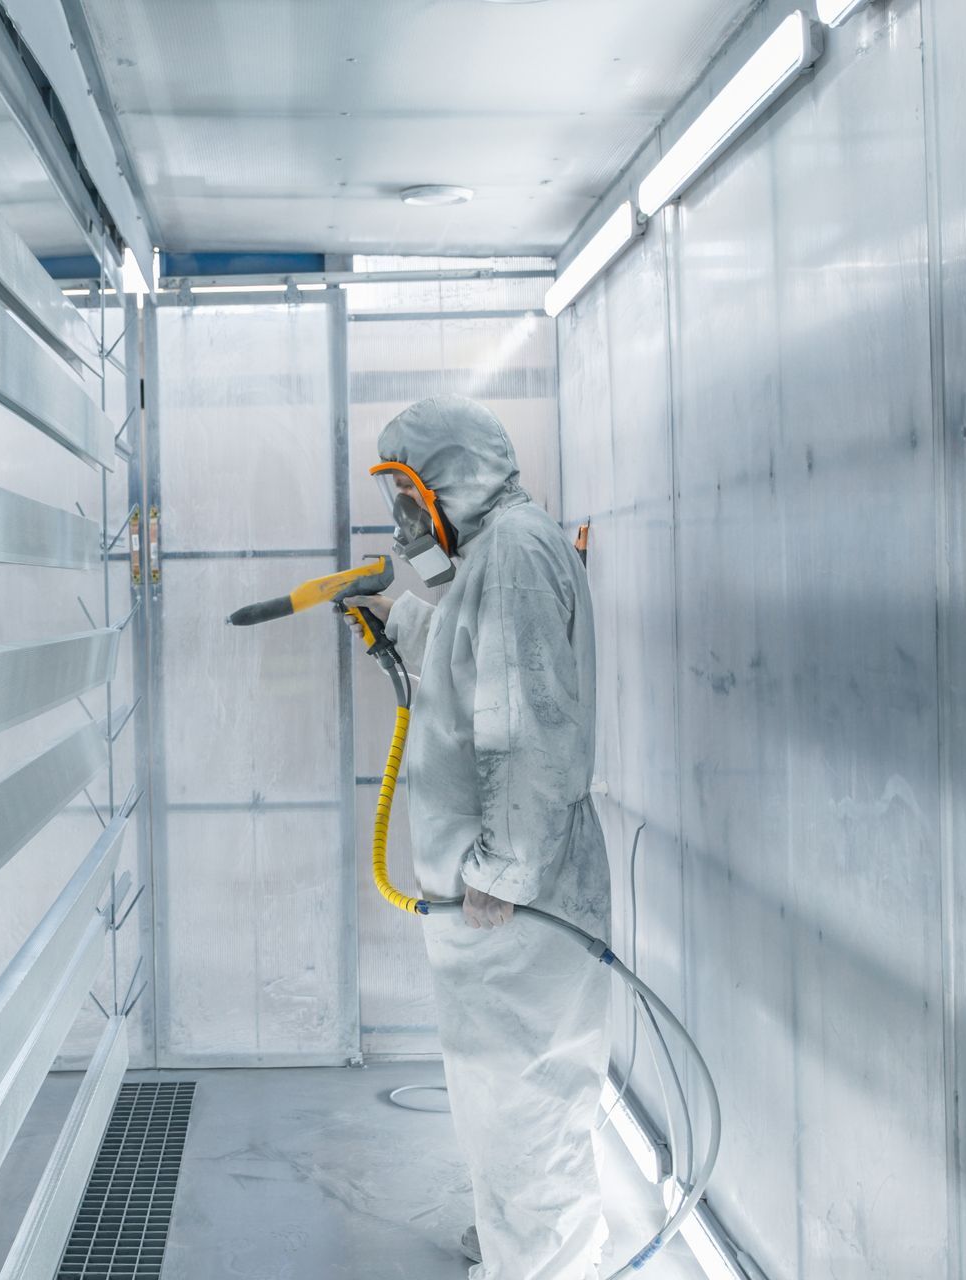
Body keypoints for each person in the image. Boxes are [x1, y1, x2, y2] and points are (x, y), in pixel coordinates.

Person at [349, 395, 612, 1280]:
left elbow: (526, 723)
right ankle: (515, 1245)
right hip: (491, 898)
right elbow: (474, 661)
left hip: (514, 899)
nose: (403, 518)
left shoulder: (515, 554)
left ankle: (546, 1266)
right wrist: (402, 618)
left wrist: (504, 868)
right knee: (499, 1100)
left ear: (449, 482)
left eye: (408, 495)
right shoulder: (496, 555)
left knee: (529, 1098)